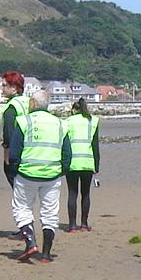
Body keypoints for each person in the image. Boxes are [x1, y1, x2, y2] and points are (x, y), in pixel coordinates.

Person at [7, 88, 66, 264]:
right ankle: (46, 254)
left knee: (22, 208)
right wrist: (61, 170)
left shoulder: (24, 121)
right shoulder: (60, 123)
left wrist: (15, 169)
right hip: (52, 175)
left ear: (33, 103)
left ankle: (31, 242)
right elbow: (67, 152)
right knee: (50, 213)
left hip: (27, 173)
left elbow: (14, 150)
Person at [62, 97, 100, 232]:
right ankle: (84, 224)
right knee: (86, 194)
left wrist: (63, 163)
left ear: (73, 110)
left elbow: (64, 144)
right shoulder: (93, 120)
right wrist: (97, 164)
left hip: (72, 163)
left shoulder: (67, 121)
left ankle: (72, 225)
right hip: (88, 162)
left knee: (72, 193)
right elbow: (95, 145)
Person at [0, 71, 29, 188]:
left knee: (19, 194)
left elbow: (9, 134)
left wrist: (7, 157)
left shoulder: (11, 107)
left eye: (4, 85)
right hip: (31, 151)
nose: (2, 88)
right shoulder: (29, 101)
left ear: (14, 88)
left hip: (17, 154)